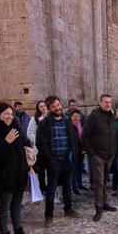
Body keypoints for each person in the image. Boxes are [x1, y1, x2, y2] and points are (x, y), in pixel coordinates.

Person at [0, 101, 34, 234]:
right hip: (2, 178)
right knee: (4, 209)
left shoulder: (15, 129)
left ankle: (18, 231)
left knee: (16, 206)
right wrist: (6, 142)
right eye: (6, 113)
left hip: (18, 176)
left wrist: (26, 169)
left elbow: (20, 153)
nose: (9, 116)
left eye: (11, 114)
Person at [36, 96, 81, 227]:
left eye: (58, 105)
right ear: (49, 108)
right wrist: (49, 158)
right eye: (54, 106)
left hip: (67, 159)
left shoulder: (67, 121)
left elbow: (73, 139)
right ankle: (48, 215)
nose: (57, 108)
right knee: (51, 189)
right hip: (54, 161)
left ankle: (68, 208)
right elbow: (41, 142)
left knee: (67, 186)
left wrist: (73, 156)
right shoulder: (44, 123)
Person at [82, 94, 117, 222]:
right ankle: (98, 209)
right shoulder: (93, 117)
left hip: (110, 156)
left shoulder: (111, 116)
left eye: (110, 102)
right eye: (106, 102)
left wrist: (114, 151)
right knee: (99, 183)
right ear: (100, 103)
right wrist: (92, 154)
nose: (108, 104)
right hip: (98, 157)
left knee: (105, 181)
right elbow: (85, 137)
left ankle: (104, 202)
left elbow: (113, 134)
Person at [27, 100, 49, 194]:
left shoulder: (51, 117)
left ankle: (51, 186)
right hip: (40, 148)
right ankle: (42, 187)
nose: (43, 107)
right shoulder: (35, 119)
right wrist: (39, 140)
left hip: (51, 147)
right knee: (42, 169)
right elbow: (29, 133)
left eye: (44, 106)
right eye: (41, 106)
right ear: (38, 108)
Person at [70, 110, 85, 194]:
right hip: (74, 150)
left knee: (80, 168)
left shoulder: (81, 124)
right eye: (75, 116)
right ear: (71, 117)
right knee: (74, 169)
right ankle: (74, 186)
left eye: (78, 116)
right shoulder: (70, 126)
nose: (77, 118)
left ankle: (80, 184)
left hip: (80, 150)